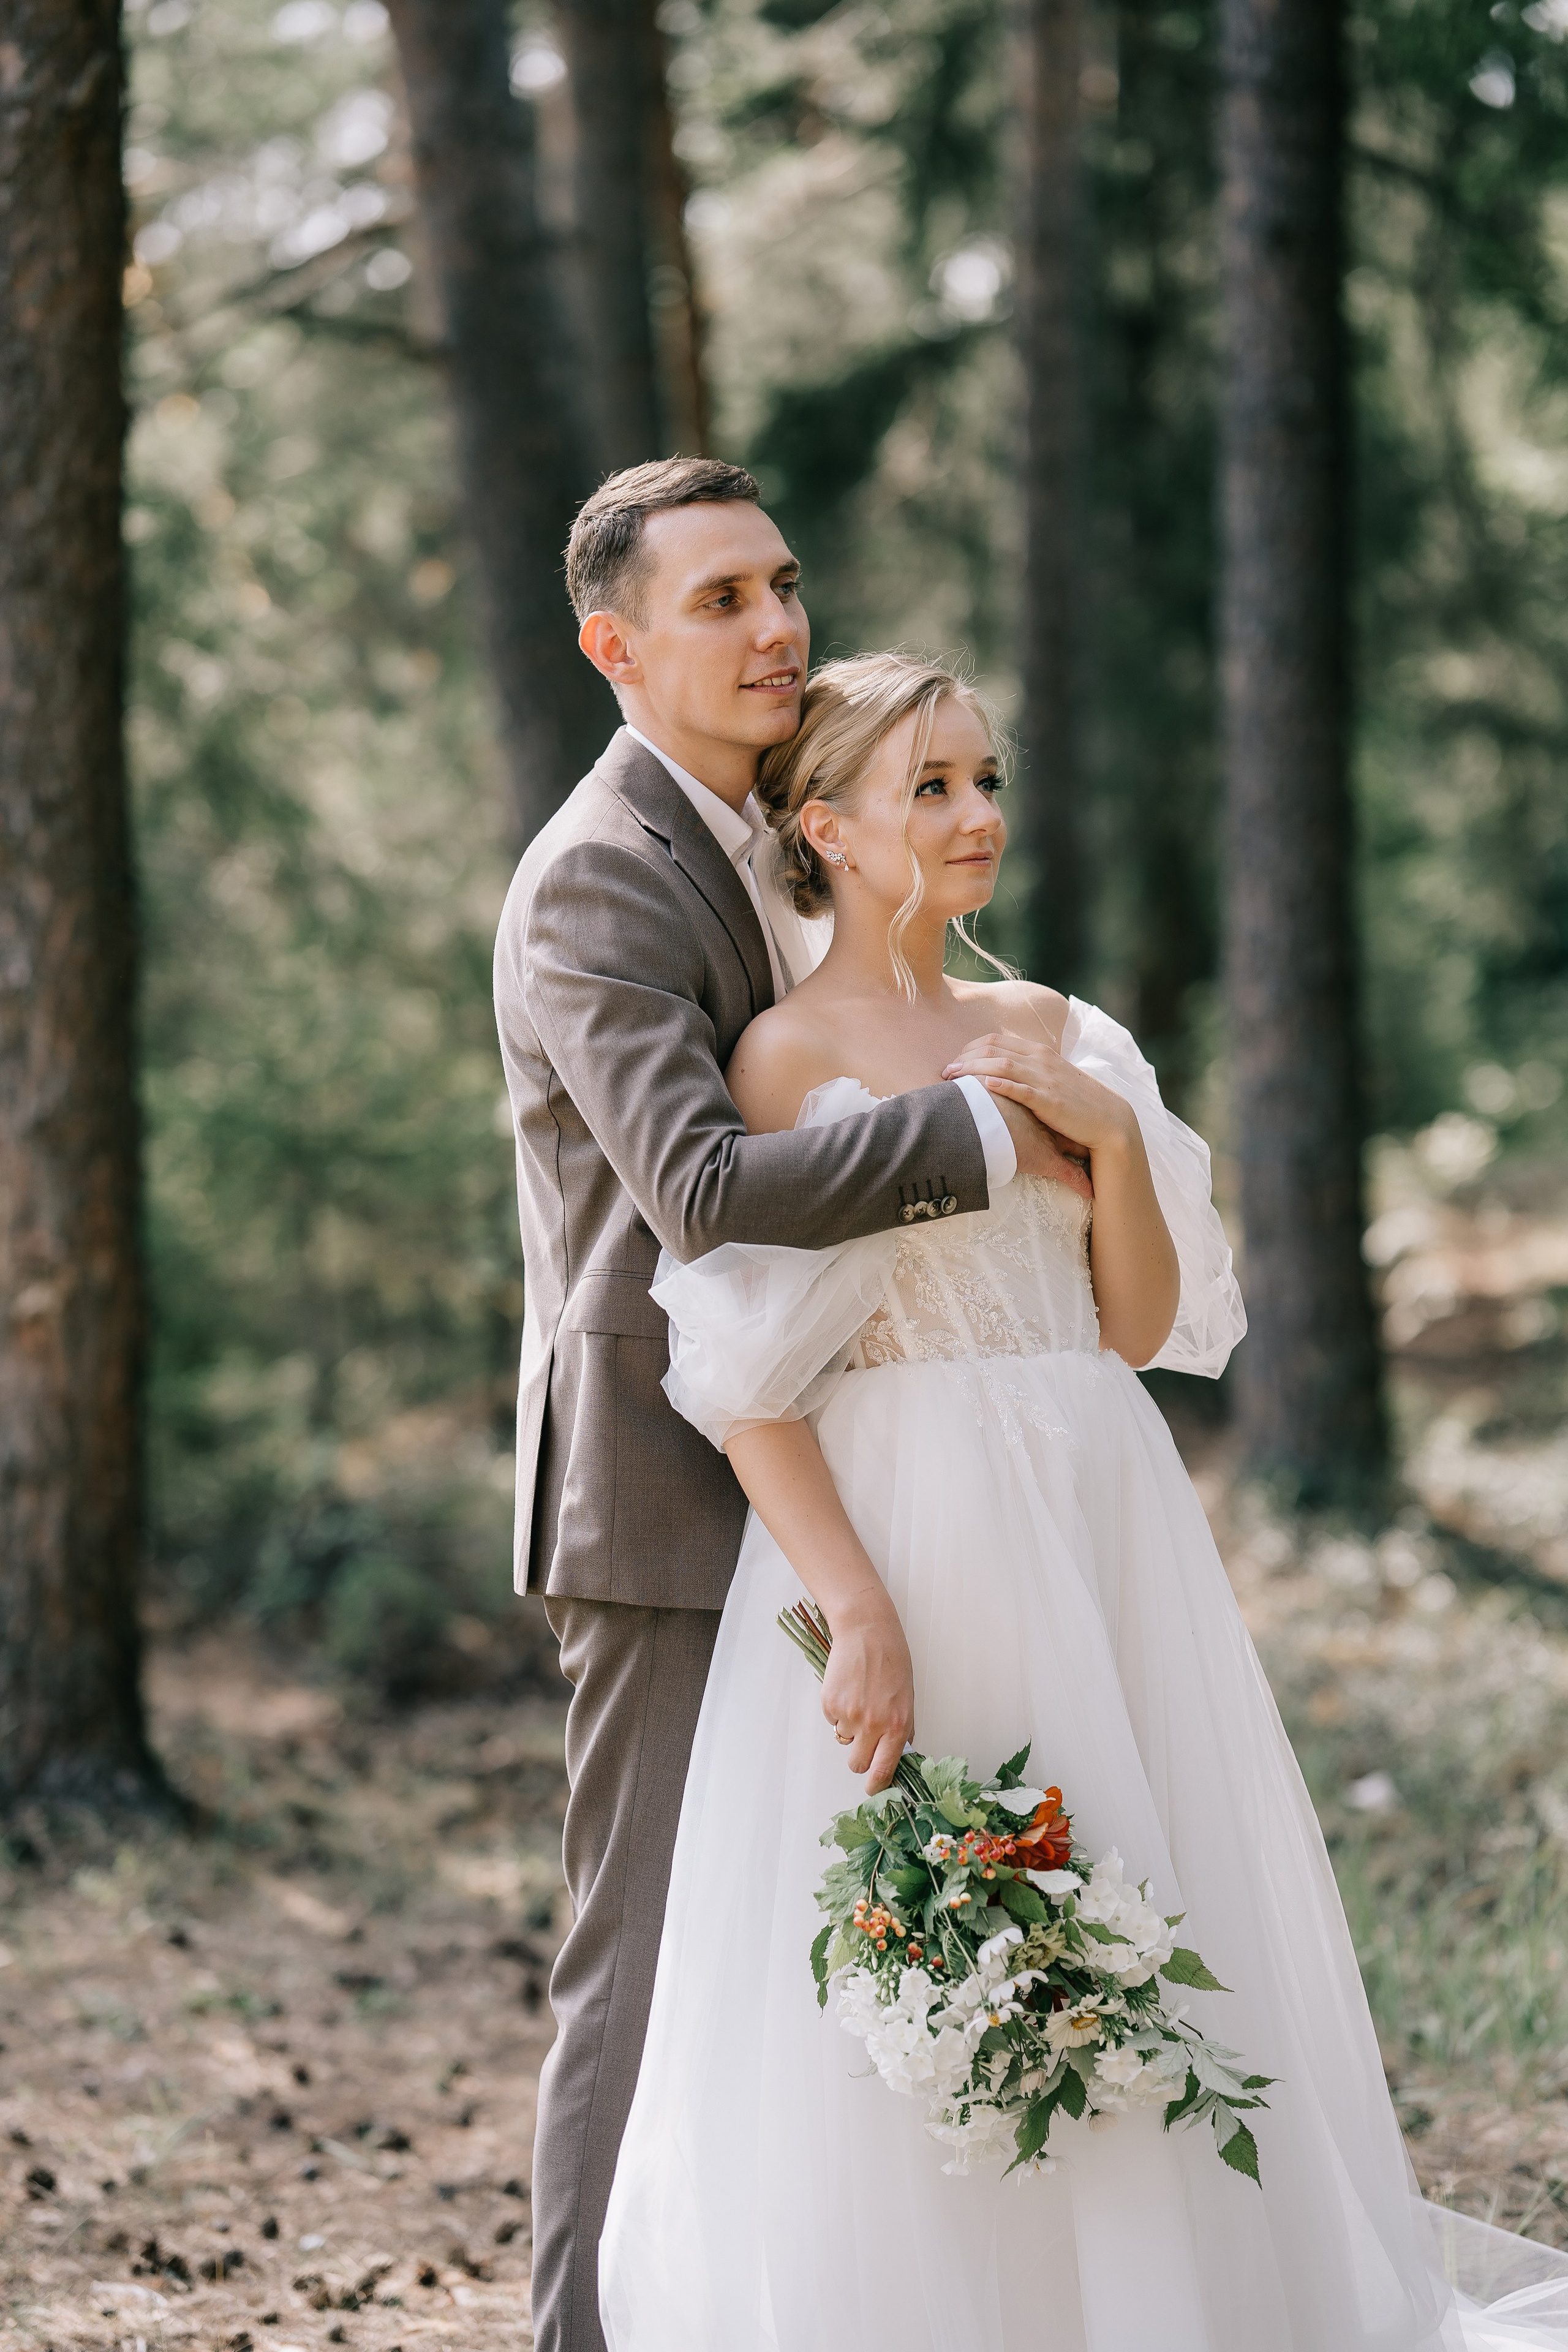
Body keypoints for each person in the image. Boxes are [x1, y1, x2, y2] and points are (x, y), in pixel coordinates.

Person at [598, 652, 1568, 2351]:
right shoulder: (783, 1059)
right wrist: (859, 1611)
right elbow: (749, 1384)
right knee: (935, 1925)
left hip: (1099, 1513)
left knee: (1132, 1896)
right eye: (931, 787)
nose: (977, 816)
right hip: (905, 1529)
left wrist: (1112, 1137)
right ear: (825, 825)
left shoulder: (1052, 1026)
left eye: (986, 779)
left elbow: (1132, 1325)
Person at [492, 462, 1072, 2352]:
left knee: (792, 1956)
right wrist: (995, 1127)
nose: (773, 627)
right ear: (615, 644)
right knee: (647, 1960)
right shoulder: (597, 871)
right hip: (666, 1488)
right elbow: (706, 1191)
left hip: (841, 1458)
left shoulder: (766, 832)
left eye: (783, 585)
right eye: (721, 598)